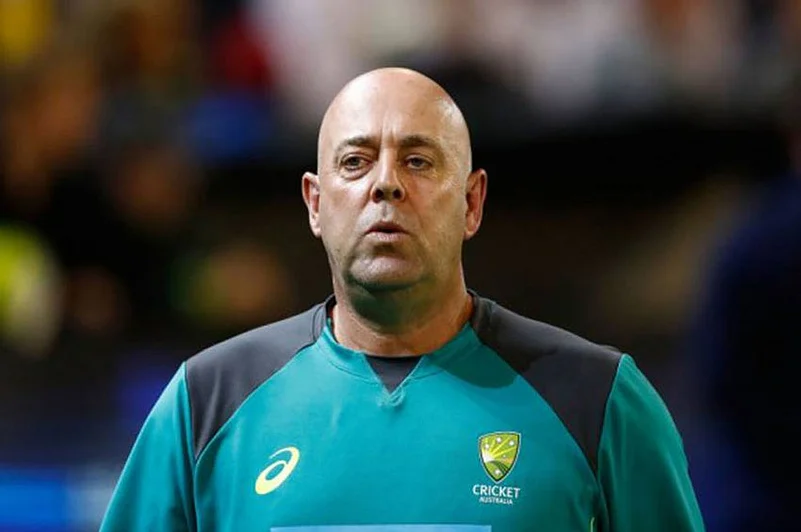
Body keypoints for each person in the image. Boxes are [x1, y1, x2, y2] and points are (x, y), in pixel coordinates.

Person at [100, 68, 704, 531]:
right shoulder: (206, 403)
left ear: (472, 203)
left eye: (417, 161)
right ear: (315, 204)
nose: (386, 183)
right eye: (355, 162)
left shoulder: (599, 401)